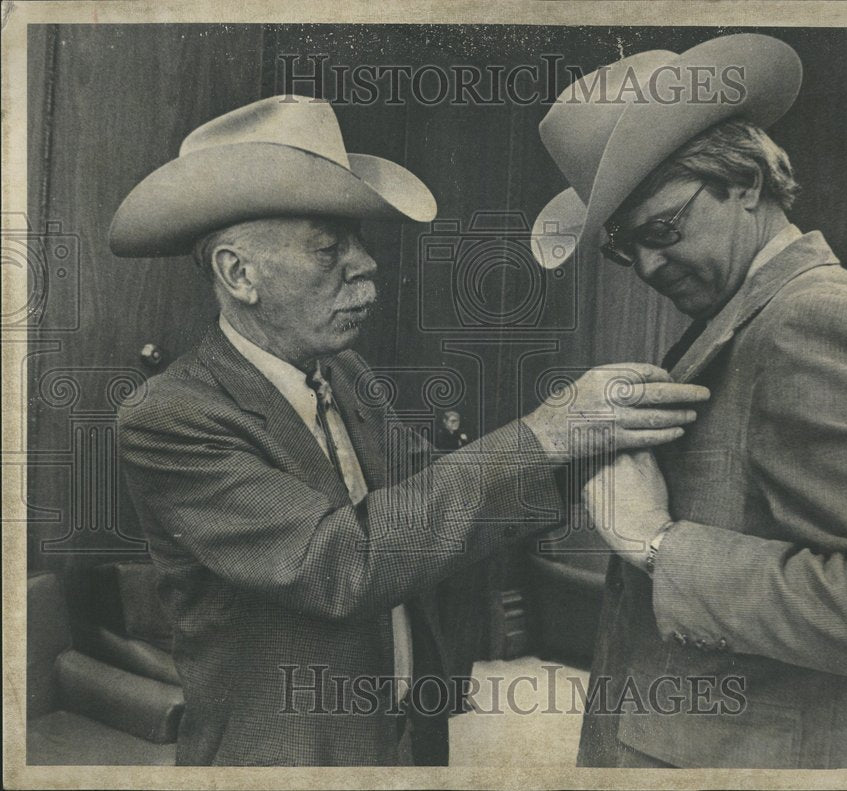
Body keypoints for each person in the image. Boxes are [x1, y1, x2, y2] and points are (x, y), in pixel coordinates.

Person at [109, 95, 709, 766]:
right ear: (238, 273)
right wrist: (547, 433)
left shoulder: (345, 371)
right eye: (327, 248)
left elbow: (428, 503)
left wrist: (593, 443)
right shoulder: (170, 417)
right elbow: (338, 562)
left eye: (359, 241)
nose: (365, 264)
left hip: (402, 737)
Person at [530, 34, 847, 769]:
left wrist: (659, 544)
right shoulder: (744, 311)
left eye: (663, 231)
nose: (645, 266)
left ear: (746, 183)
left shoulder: (811, 323)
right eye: (623, 248)